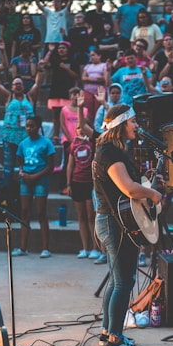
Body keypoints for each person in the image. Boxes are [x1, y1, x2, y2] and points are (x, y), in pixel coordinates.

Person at [92, 104, 162, 346]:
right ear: (121, 124)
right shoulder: (109, 152)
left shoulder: (112, 150)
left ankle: (106, 333)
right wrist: (152, 193)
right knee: (124, 282)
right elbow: (129, 189)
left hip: (111, 222)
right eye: (133, 121)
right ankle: (116, 338)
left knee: (116, 280)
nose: (137, 126)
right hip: (114, 224)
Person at [0, 57, 44, 194]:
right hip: (10, 138)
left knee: (27, 166)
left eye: (20, 83)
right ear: (12, 87)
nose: (18, 85)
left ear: (23, 86)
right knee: (8, 167)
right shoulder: (8, 97)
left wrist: (40, 70)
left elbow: (37, 84)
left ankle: (25, 191)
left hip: (27, 139)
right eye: (15, 84)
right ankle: (6, 195)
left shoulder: (30, 97)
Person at [12, 116, 55, 258]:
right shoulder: (23, 144)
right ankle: (23, 247)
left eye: (32, 126)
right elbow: (20, 162)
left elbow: (50, 166)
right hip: (26, 180)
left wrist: (35, 177)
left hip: (41, 179)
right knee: (25, 212)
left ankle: (46, 248)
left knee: (41, 212)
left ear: (38, 127)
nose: (29, 128)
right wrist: (21, 172)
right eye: (27, 126)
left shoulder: (46, 143)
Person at [66, 96, 101, 261]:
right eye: (78, 127)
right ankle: (85, 248)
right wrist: (68, 183)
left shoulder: (92, 143)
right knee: (80, 217)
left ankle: (96, 248)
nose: (80, 129)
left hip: (90, 183)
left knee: (91, 216)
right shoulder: (73, 144)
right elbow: (70, 165)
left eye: (82, 127)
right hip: (76, 182)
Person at [44, 41, 79, 144]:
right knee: (55, 114)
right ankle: (55, 136)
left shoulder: (73, 61)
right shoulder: (55, 60)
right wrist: (49, 52)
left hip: (67, 91)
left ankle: (68, 135)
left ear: (67, 50)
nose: (61, 50)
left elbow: (76, 76)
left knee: (67, 114)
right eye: (59, 48)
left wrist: (66, 68)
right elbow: (45, 64)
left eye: (63, 48)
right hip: (55, 90)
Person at [59, 86, 88, 193]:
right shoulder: (64, 110)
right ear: (70, 96)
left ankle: (76, 185)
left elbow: (86, 125)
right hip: (68, 140)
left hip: (82, 140)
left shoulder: (84, 110)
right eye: (73, 94)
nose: (75, 96)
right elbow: (62, 125)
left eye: (77, 94)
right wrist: (71, 139)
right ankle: (64, 186)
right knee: (67, 162)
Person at [81, 48, 107, 125]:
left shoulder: (104, 65)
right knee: (89, 112)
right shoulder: (88, 66)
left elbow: (104, 79)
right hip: (88, 91)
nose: (91, 57)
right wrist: (96, 79)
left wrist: (89, 79)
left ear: (99, 56)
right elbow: (83, 78)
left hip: (99, 92)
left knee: (98, 111)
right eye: (90, 55)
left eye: (93, 55)